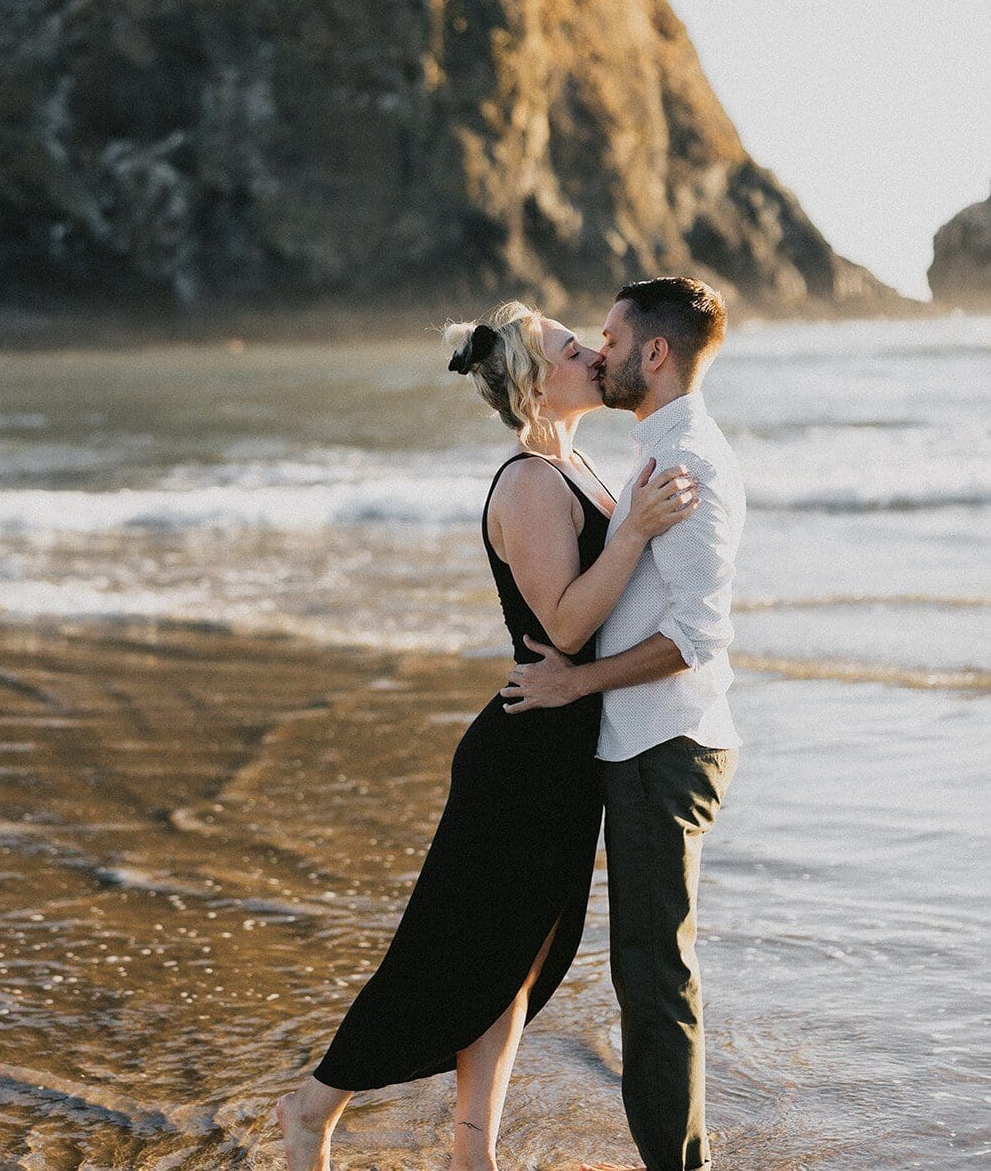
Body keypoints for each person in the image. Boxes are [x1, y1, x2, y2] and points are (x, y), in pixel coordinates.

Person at [271, 299, 700, 1171]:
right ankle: (310, 1109)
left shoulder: (575, 464)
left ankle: (474, 1155)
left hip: (562, 752)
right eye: (573, 348)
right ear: (539, 382)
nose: (593, 352)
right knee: (442, 959)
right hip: (522, 760)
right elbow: (570, 623)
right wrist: (641, 531)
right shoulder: (530, 482)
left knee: (513, 967)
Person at [503, 278, 745, 1171]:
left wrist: (577, 685)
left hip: (664, 746)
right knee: (645, 971)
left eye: (607, 338)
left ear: (654, 353)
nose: (597, 353)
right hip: (644, 743)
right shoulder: (650, 451)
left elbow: (696, 635)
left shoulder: (687, 465)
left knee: (652, 978)